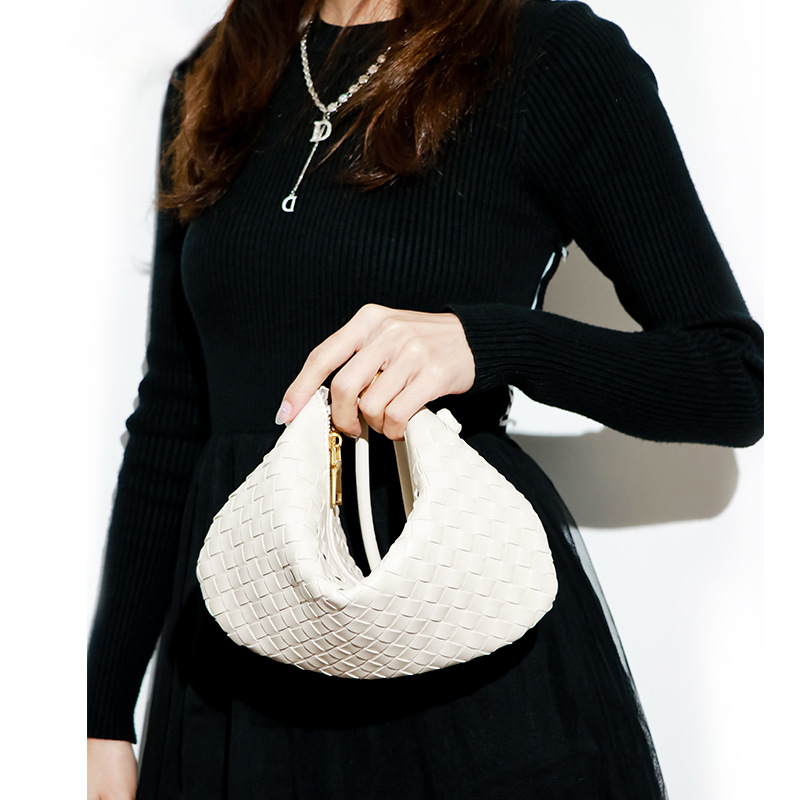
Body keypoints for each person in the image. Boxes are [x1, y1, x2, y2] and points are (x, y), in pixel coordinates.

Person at [87, 0, 764, 797]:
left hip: (457, 661)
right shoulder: (216, 73)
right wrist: (104, 715)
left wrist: (489, 343)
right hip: (236, 673)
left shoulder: (546, 53)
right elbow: (172, 416)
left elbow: (731, 378)